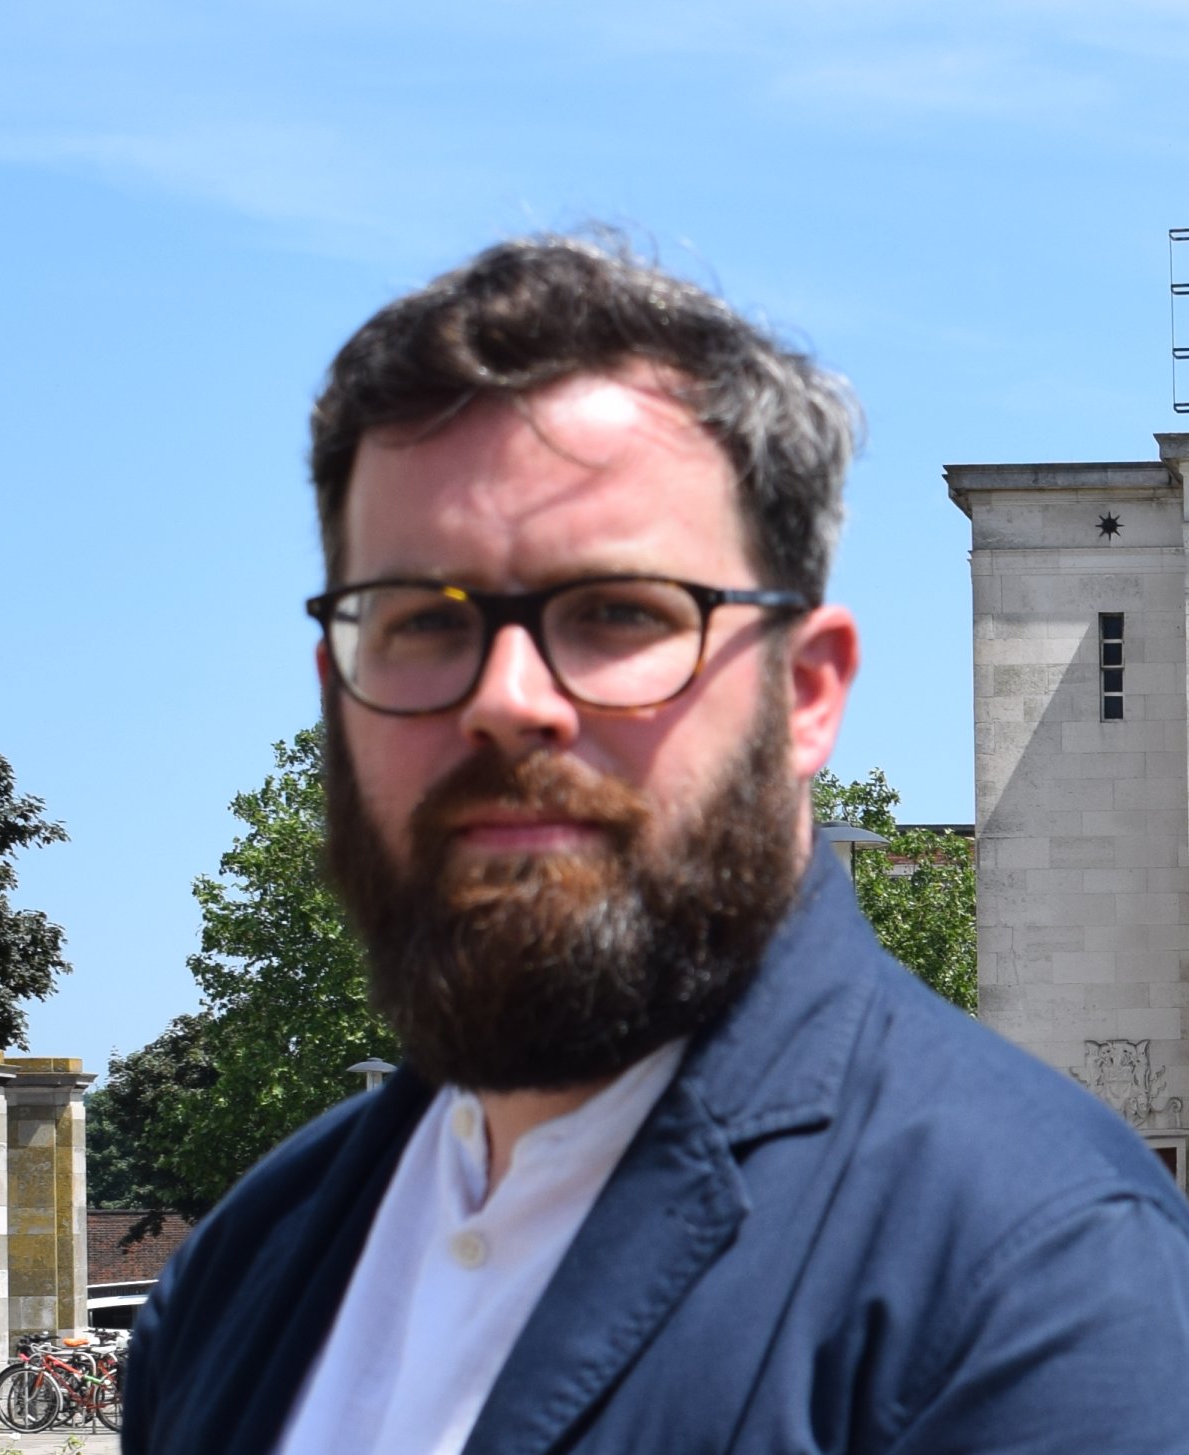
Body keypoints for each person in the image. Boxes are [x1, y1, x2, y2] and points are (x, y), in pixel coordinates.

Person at [122, 235, 1189, 1455]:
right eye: (420, 621)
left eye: (616, 613)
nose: (506, 699)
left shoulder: (1033, 1278)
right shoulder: (242, 1273)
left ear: (806, 694)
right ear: (336, 688)